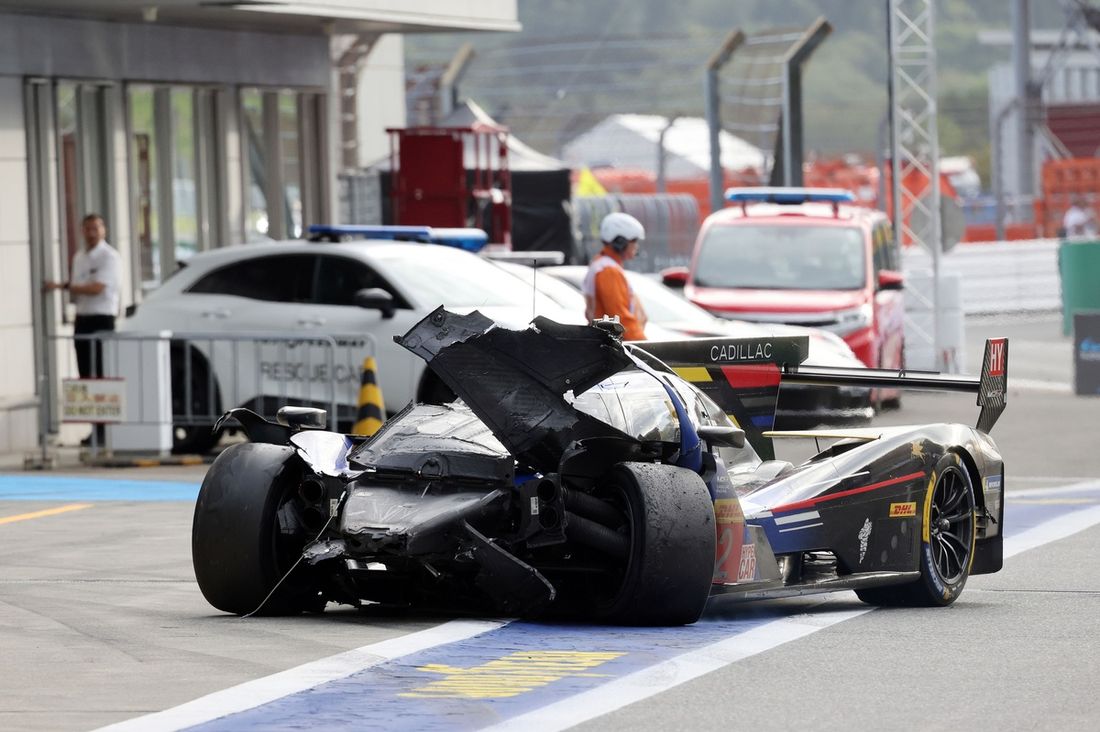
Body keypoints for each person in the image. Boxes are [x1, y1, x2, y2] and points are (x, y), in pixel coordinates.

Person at [44, 213, 121, 445]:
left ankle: (108, 431)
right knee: (86, 376)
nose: (91, 233)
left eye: (95, 228)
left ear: (103, 230)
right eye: (87, 229)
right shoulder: (79, 257)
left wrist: (66, 286)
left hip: (102, 318)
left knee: (102, 374)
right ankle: (95, 431)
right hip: (83, 319)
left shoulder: (109, 257)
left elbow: (97, 288)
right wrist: (72, 287)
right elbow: (81, 288)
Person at [583, 212, 648, 340]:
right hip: (614, 348)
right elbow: (621, 319)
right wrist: (647, 348)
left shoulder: (602, 265)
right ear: (620, 242)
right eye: (633, 240)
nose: (636, 245)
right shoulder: (608, 271)